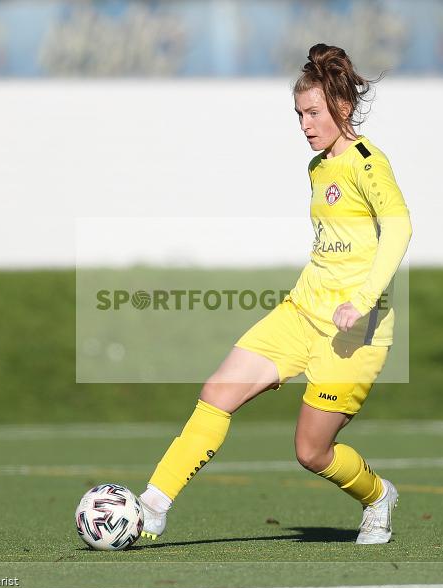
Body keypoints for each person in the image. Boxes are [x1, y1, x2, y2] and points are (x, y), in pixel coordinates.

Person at [138, 43, 412, 545]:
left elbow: (399, 230)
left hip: (355, 331)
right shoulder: (318, 168)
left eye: (313, 113)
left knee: (311, 452)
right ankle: (151, 509)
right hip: (301, 312)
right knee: (216, 393)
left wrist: (366, 298)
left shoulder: (367, 163)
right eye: (299, 115)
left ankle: (377, 496)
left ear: (342, 107)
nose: (305, 124)